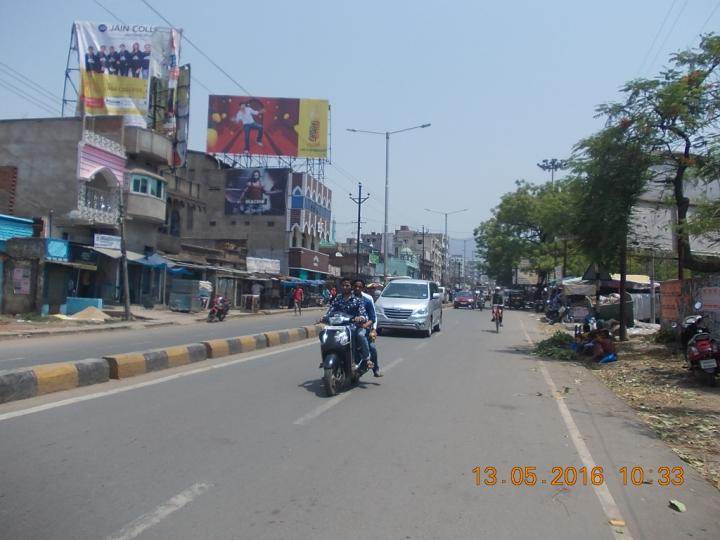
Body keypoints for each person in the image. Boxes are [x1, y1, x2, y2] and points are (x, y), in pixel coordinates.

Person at [321, 277, 369, 368]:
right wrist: (324, 318)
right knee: (325, 336)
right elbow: (330, 311)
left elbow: (364, 314)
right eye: (343, 285)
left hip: (352, 327)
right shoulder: (337, 299)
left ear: (351, 287)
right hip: (338, 327)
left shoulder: (357, 300)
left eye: (347, 285)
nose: (345, 287)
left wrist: (360, 317)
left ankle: (359, 360)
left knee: (358, 336)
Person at [354, 278, 383, 377]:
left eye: (360, 287)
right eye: (355, 286)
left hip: (365, 327)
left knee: (372, 347)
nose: (357, 288)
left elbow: (372, 316)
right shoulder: (347, 298)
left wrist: (373, 328)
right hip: (350, 327)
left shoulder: (367, 299)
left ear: (363, 288)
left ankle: (375, 368)